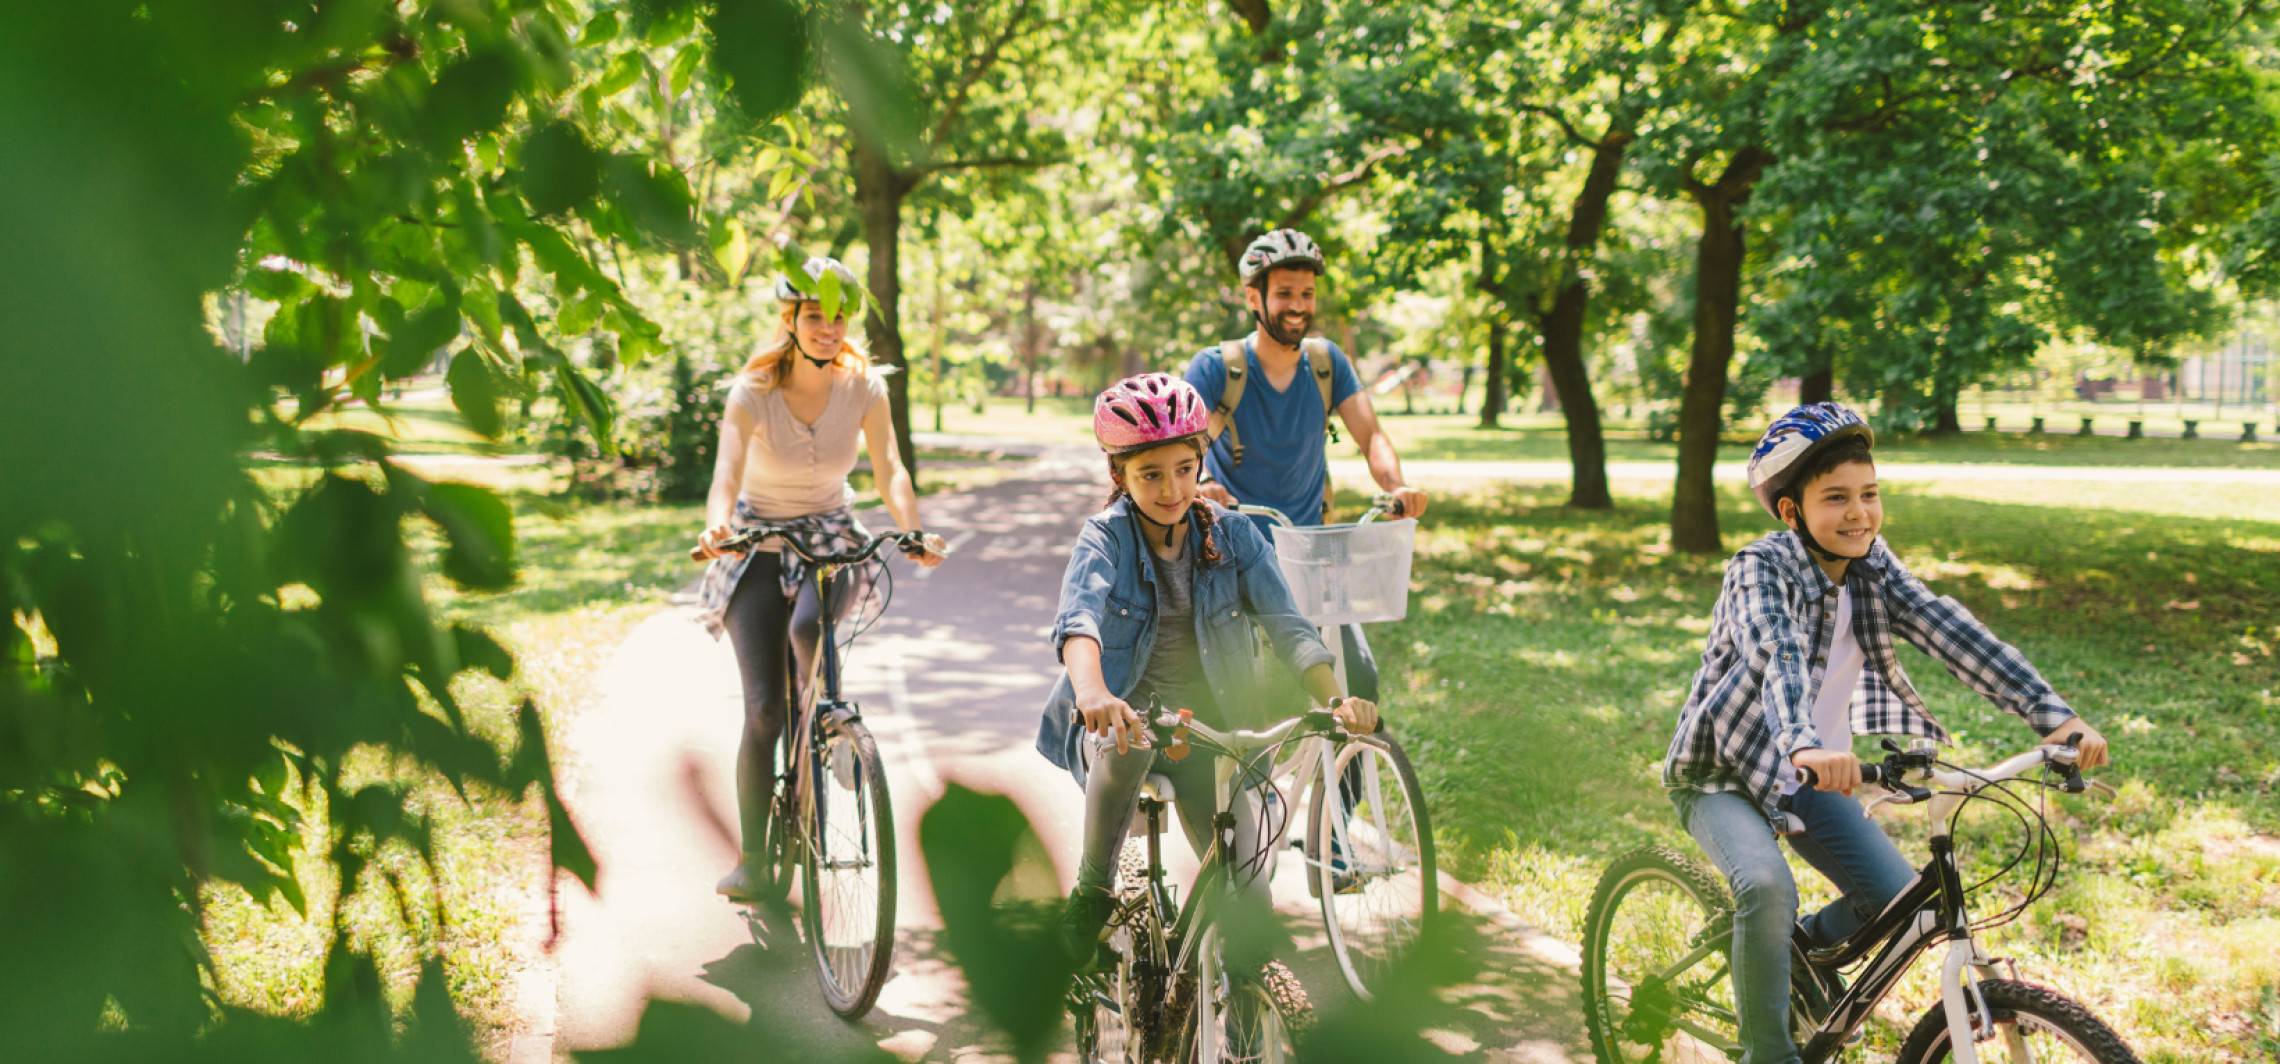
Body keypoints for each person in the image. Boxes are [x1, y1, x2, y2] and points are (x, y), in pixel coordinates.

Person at [1662, 402, 2113, 1064]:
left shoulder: (1873, 564)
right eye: (1836, 498)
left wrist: (2057, 717)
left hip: (1812, 770)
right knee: (1765, 887)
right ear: (1791, 512)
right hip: (1723, 773)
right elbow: (1776, 653)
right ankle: (1769, 1053)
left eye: (1869, 495)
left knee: (1894, 899)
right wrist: (1803, 742)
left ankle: (1788, 955)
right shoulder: (1759, 568)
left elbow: (1950, 630)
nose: (1859, 515)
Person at [1039, 373, 1378, 966]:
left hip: (1208, 729)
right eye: (1150, 474)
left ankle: (1250, 1022)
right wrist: (1092, 692)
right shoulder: (1106, 539)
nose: (1172, 489)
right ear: (1119, 476)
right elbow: (1080, 622)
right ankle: (1092, 891)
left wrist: (1333, 699)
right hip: (1125, 719)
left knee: (1250, 909)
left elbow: (1288, 626)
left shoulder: (1235, 535)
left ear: (1201, 464)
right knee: (1128, 739)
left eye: (1184, 469)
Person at [695, 257, 948, 901]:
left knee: (811, 628)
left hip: (831, 533)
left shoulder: (864, 387)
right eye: (814, 316)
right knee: (762, 712)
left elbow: (889, 467)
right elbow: (725, 470)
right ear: (791, 321)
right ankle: (754, 859)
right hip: (755, 539)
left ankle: (831, 727)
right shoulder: (751, 391)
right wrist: (716, 525)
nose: (828, 329)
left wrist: (912, 528)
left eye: (838, 317)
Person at [1181, 228, 1426, 703]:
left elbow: (1370, 434)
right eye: (1285, 293)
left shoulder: (1326, 363)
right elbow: (1189, 449)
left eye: (1307, 294)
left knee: (1358, 681)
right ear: (1255, 297)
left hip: (1311, 555)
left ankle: (1348, 778)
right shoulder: (1218, 369)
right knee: (1243, 695)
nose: (1299, 305)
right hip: (1237, 554)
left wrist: (1399, 487)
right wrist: (1205, 481)